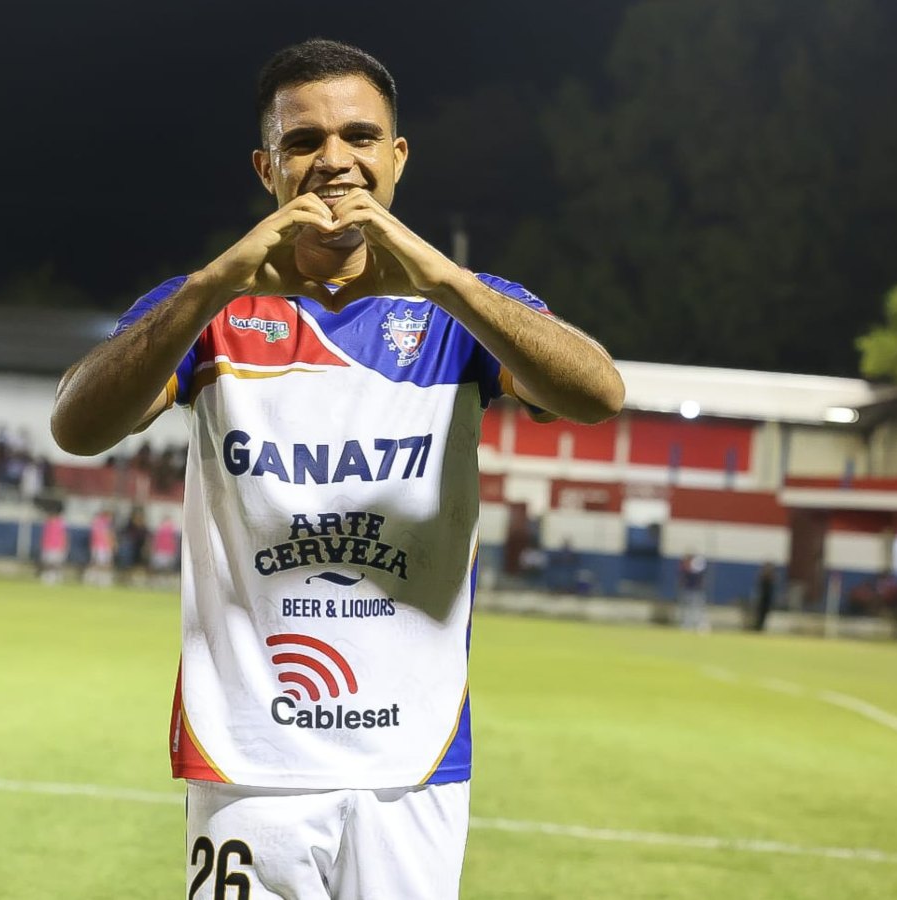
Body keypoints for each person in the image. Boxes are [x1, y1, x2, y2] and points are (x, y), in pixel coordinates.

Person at [50, 38, 624, 898]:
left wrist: (431, 270)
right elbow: (78, 425)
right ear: (266, 167)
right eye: (304, 141)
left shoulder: (459, 308)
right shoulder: (206, 309)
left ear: (396, 157)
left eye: (360, 136)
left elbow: (598, 393)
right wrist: (217, 280)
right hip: (249, 755)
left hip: (413, 759)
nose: (334, 161)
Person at [678, 552, 709, 632]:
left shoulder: (698, 567)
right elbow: (683, 577)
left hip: (698, 590)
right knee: (687, 608)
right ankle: (687, 625)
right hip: (689, 590)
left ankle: (701, 625)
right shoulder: (685, 567)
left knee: (699, 608)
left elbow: (700, 576)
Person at [39, 506, 68, 585]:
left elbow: (64, 535)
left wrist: (64, 545)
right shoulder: (47, 523)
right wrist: (42, 543)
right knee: (47, 562)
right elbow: (44, 535)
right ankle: (47, 576)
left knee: (56, 563)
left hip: (57, 545)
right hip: (47, 545)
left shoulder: (60, 523)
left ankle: (55, 576)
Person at [753, 561, 776, 631]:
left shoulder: (771, 577)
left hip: (767, 599)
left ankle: (760, 626)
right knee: (759, 613)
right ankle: (757, 626)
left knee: (764, 614)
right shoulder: (763, 577)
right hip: (762, 599)